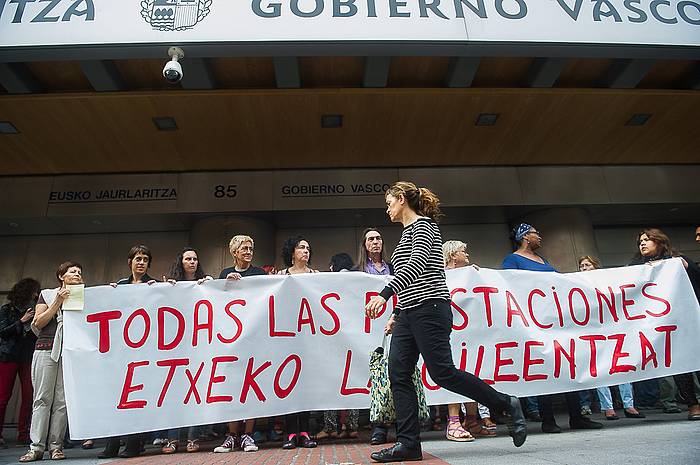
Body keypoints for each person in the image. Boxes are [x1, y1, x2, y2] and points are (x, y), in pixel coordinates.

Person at [365, 182, 526, 463]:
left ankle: (505, 403)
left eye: (389, 202)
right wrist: (396, 313)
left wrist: (384, 295)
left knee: (442, 373)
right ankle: (408, 444)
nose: (387, 208)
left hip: (431, 309)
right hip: (409, 313)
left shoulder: (424, 227)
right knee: (398, 373)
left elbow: (417, 266)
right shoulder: (404, 236)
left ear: (401, 200)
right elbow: (409, 279)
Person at [502, 223, 603, 434]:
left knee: (567, 364)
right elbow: (509, 285)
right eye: (536, 233)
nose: (540, 237)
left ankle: (576, 416)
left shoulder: (543, 260)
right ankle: (548, 419)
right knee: (545, 369)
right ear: (526, 237)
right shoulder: (513, 260)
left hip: (555, 321)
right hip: (534, 322)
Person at [630, 228, 700, 420]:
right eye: (640, 242)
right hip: (663, 323)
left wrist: (685, 266)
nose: (642, 244)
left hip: (688, 318)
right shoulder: (635, 266)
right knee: (680, 364)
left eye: (647, 240)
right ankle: (693, 405)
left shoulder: (678, 261)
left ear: (659, 242)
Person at [19, 262, 82, 462]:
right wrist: (58, 301)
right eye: (73, 272)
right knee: (42, 399)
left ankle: (56, 446)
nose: (77, 274)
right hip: (46, 350)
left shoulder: (82, 296)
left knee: (62, 401)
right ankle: (36, 446)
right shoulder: (47, 294)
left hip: (68, 352)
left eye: (80, 273)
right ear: (61, 275)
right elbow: (38, 322)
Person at [578, 256, 645, 421]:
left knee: (623, 367)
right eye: (581, 266)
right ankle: (608, 407)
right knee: (600, 369)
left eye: (587, 265)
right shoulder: (577, 283)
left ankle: (629, 405)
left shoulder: (608, 281)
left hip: (613, 329)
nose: (583, 268)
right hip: (593, 330)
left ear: (595, 266)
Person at [214, 235, 264, 454]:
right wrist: (227, 285)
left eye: (251, 248)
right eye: (244, 248)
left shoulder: (260, 274)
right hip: (231, 340)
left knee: (251, 385)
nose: (248, 251)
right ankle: (232, 435)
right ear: (234, 252)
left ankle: (248, 434)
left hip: (253, 337)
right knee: (232, 386)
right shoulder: (225, 274)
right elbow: (216, 300)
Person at [442, 240, 495, 441]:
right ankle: (454, 421)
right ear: (453, 255)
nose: (467, 255)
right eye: (464, 251)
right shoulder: (441, 275)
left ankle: (471, 420)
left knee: (472, 372)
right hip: (451, 333)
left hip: (471, 334)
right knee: (453, 374)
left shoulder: (471, 275)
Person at [161, 247, 212, 454]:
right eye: (188, 259)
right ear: (180, 262)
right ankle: (172, 439)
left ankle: (192, 437)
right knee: (174, 392)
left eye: (195, 259)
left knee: (195, 393)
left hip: (199, 346)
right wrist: (165, 289)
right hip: (176, 347)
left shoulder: (205, 283)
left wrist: (210, 285)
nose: (192, 262)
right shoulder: (172, 285)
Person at [277, 236, 318, 449]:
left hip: (308, 337)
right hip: (287, 336)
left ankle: (305, 431)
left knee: (306, 384)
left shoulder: (316, 276)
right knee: (288, 383)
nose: (305, 251)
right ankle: (290, 432)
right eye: (301, 247)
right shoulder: (280, 276)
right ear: (292, 253)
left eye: (308, 248)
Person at [317, 253, 359, 441]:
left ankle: (330, 426)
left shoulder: (329, 282)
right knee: (354, 382)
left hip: (332, 340)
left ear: (332, 266)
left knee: (331, 382)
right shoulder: (357, 281)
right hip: (355, 339)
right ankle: (352, 425)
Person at [0, 278, 40, 449]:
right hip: (8, 356)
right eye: (34, 292)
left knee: (28, 396)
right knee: (3, 397)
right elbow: (2, 332)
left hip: (28, 356)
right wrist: (21, 321)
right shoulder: (7, 310)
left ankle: (23, 435)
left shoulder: (36, 310)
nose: (36, 295)